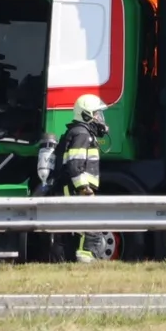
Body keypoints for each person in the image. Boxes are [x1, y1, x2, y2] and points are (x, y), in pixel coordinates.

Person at [48, 92, 114, 263]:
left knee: (73, 229)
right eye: (97, 114)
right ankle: (85, 261)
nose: (100, 119)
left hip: (72, 188)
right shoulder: (82, 134)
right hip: (75, 188)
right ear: (86, 115)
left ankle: (67, 261)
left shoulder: (79, 132)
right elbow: (75, 164)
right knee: (89, 227)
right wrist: (84, 188)